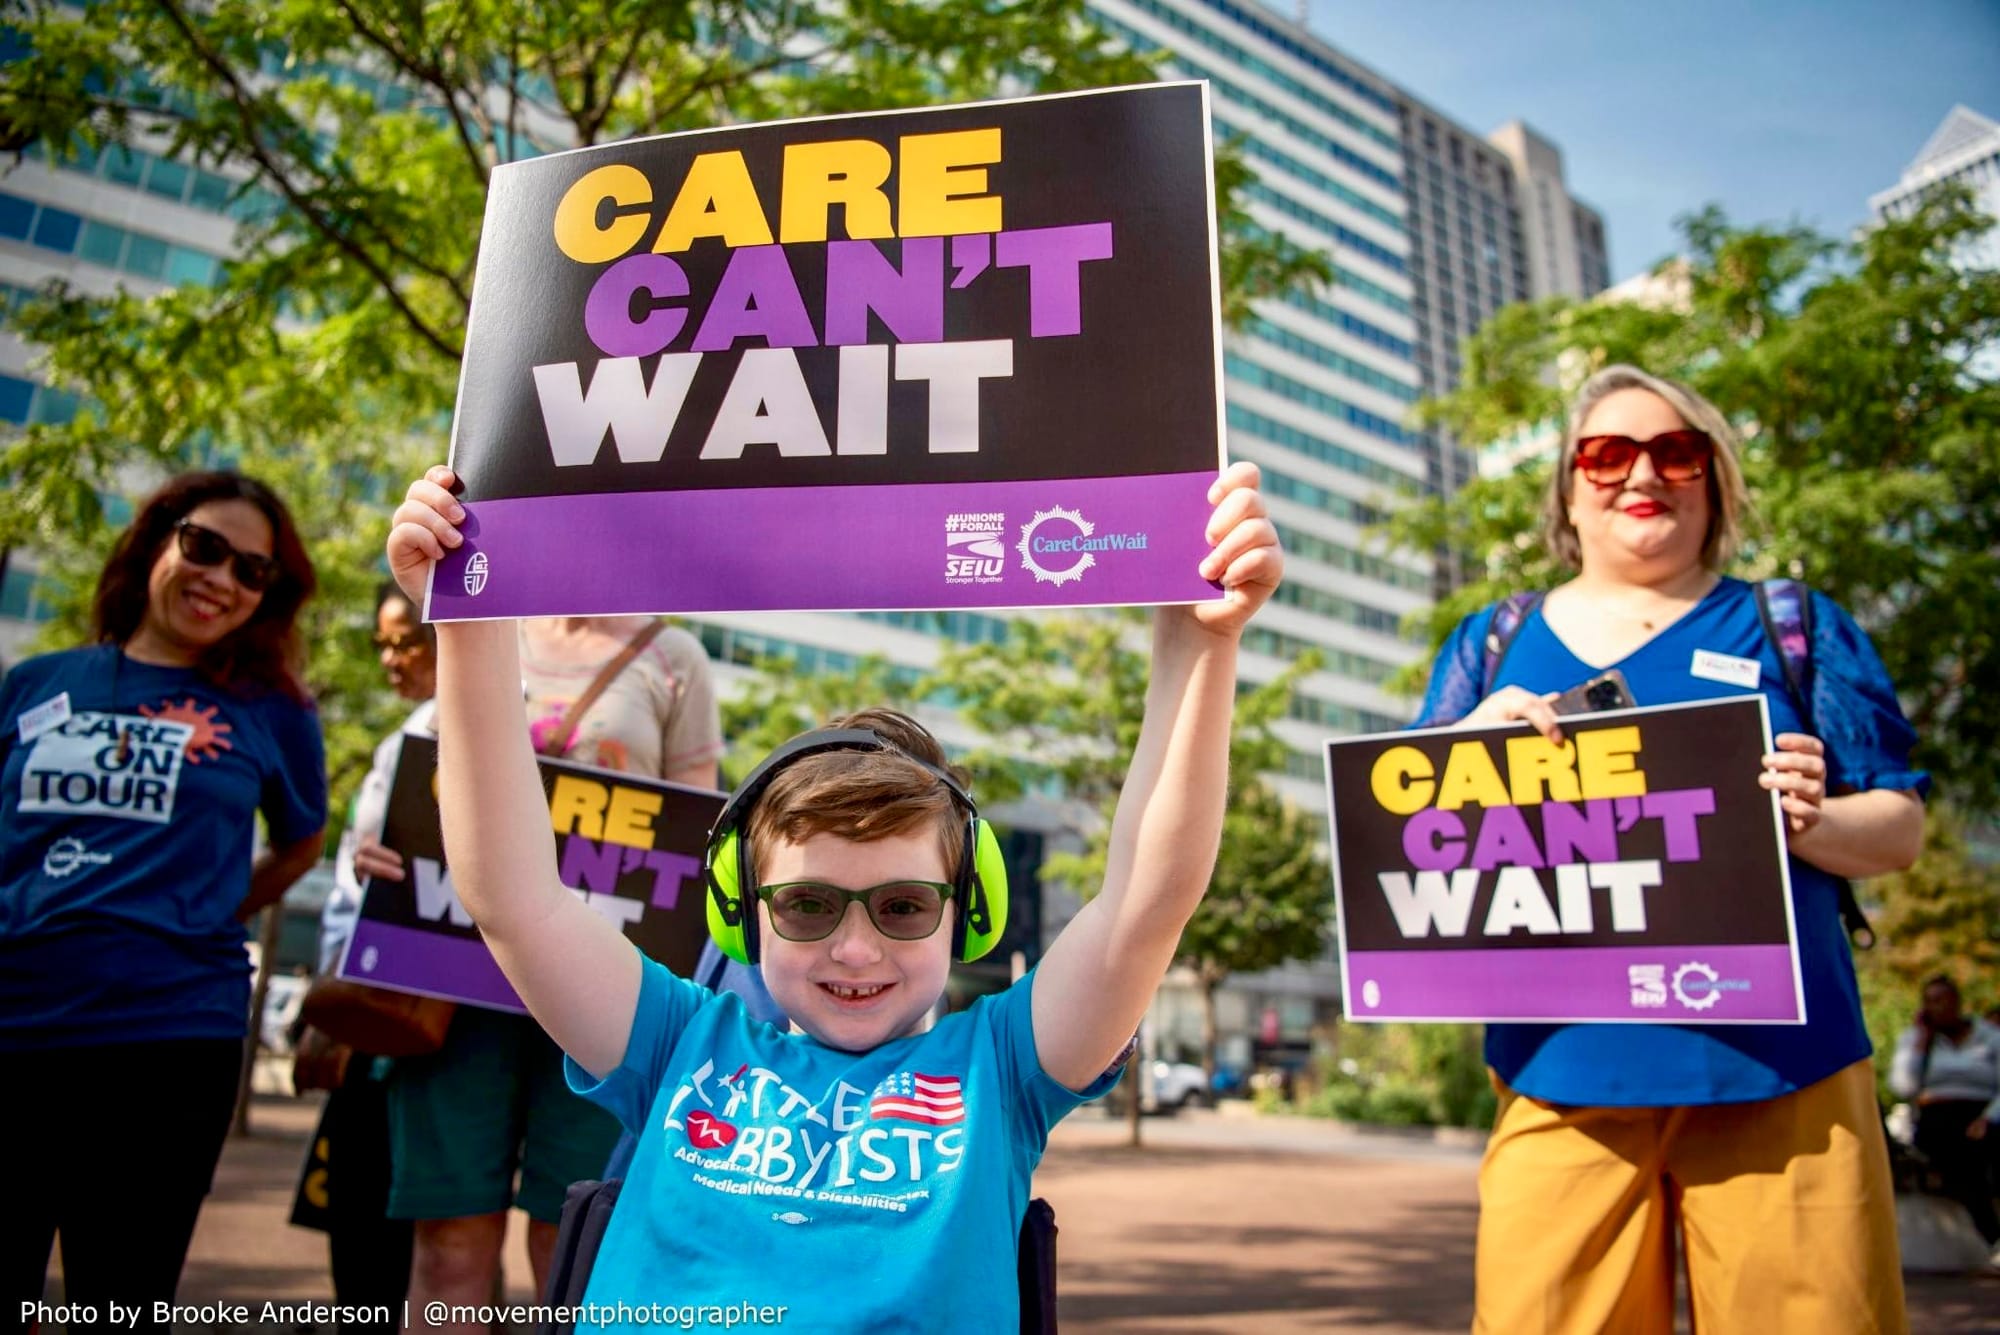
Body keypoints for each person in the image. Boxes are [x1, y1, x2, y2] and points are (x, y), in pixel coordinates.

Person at [385, 460, 1279, 1329]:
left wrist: (1200, 641)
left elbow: (1144, 902)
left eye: (902, 906)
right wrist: (467, 619)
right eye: (809, 906)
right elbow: (510, 892)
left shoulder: (1003, 1070)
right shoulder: (674, 1041)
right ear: (742, 907)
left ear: (969, 911)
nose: (856, 948)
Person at [1414, 366, 1927, 1333]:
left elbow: (1898, 826)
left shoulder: (1797, 627)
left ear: (1715, 480)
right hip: (1559, 1072)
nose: (1640, 472)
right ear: (1569, 489)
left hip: (1788, 1072)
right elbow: (1410, 840)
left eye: (1674, 451)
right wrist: (1465, 752)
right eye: (1606, 454)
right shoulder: (1493, 643)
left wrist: (1814, 821)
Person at [1, 471, 327, 1325]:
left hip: (171, 1038)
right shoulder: (34, 684)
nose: (221, 578)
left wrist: (209, 908)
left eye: (252, 571)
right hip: (14, 1023)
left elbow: (302, 841)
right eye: (206, 547)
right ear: (156, 540)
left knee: (120, 1300)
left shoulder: (273, 712)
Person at [355, 611, 730, 1313]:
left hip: (601, 998)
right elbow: (425, 786)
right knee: (447, 1245)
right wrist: (380, 851)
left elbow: (694, 834)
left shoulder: (674, 656)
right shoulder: (483, 623)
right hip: (452, 990)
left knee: (572, 1250)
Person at [291, 583, 438, 1329]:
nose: (389, 656)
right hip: (368, 1009)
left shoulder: (487, 729)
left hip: (422, 1024)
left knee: (402, 1229)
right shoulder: (399, 737)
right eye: (381, 641)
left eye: (403, 638)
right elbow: (353, 891)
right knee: (356, 1213)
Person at [1890, 975, 2000, 1248]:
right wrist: (1921, 1044)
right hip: (1937, 1118)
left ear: (1957, 1002)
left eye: (1940, 1000)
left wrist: (1988, 1117)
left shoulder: (1990, 1037)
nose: (1934, 1006)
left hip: (1983, 1113)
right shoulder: (1916, 1040)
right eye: (1928, 1001)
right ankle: (1992, 1235)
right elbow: (1902, 1087)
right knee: (1953, 1149)